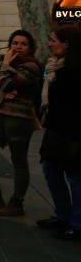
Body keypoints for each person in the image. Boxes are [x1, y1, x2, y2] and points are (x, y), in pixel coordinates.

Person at [0, 30, 42, 216]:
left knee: (19, 161)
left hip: (20, 119)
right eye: (15, 43)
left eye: (23, 44)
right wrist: (4, 84)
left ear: (30, 47)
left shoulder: (31, 65)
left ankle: (16, 202)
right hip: (1, 114)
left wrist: (4, 74)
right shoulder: (7, 63)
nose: (18, 47)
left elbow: (8, 84)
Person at [36, 27, 81, 241]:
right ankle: (62, 215)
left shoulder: (74, 69)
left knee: (75, 178)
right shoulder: (54, 67)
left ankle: (77, 223)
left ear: (67, 44)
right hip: (54, 130)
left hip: (73, 133)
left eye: (54, 40)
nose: (49, 44)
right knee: (50, 171)